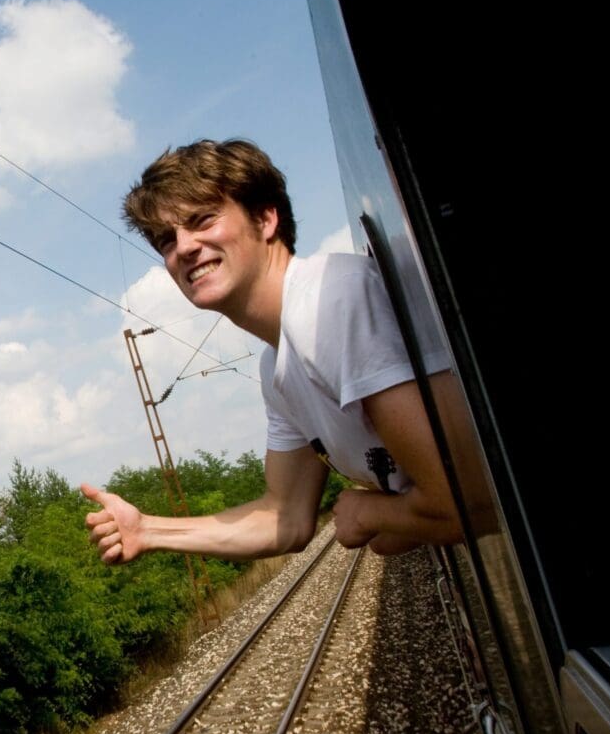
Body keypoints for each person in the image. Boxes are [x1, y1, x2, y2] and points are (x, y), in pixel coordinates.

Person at [81, 139, 463, 562]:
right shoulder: (277, 365)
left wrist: (371, 513)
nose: (184, 247)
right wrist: (149, 530)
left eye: (202, 220)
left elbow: (464, 498)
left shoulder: (329, 302)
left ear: (265, 218)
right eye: (166, 240)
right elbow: (284, 515)